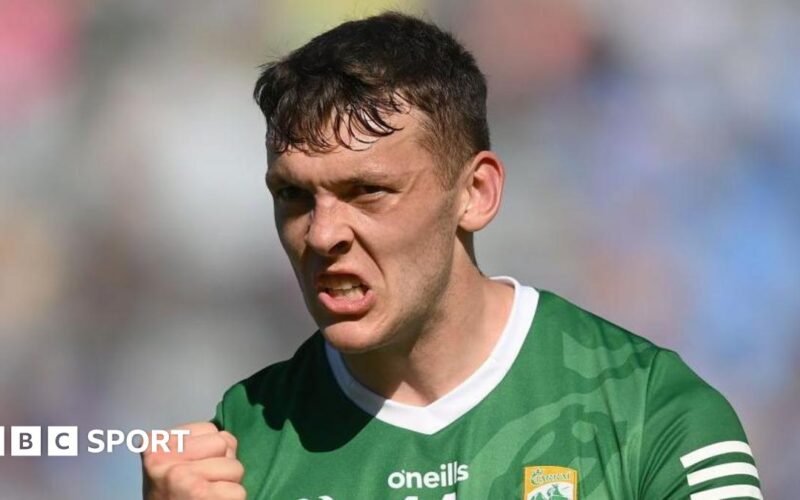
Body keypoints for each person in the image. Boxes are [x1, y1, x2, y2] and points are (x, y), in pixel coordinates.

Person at [141, 12, 761, 500]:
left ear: (476, 193)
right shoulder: (242, 444)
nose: (323, 233)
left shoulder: (650, 412)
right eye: (293, 195)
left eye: (368, 191)